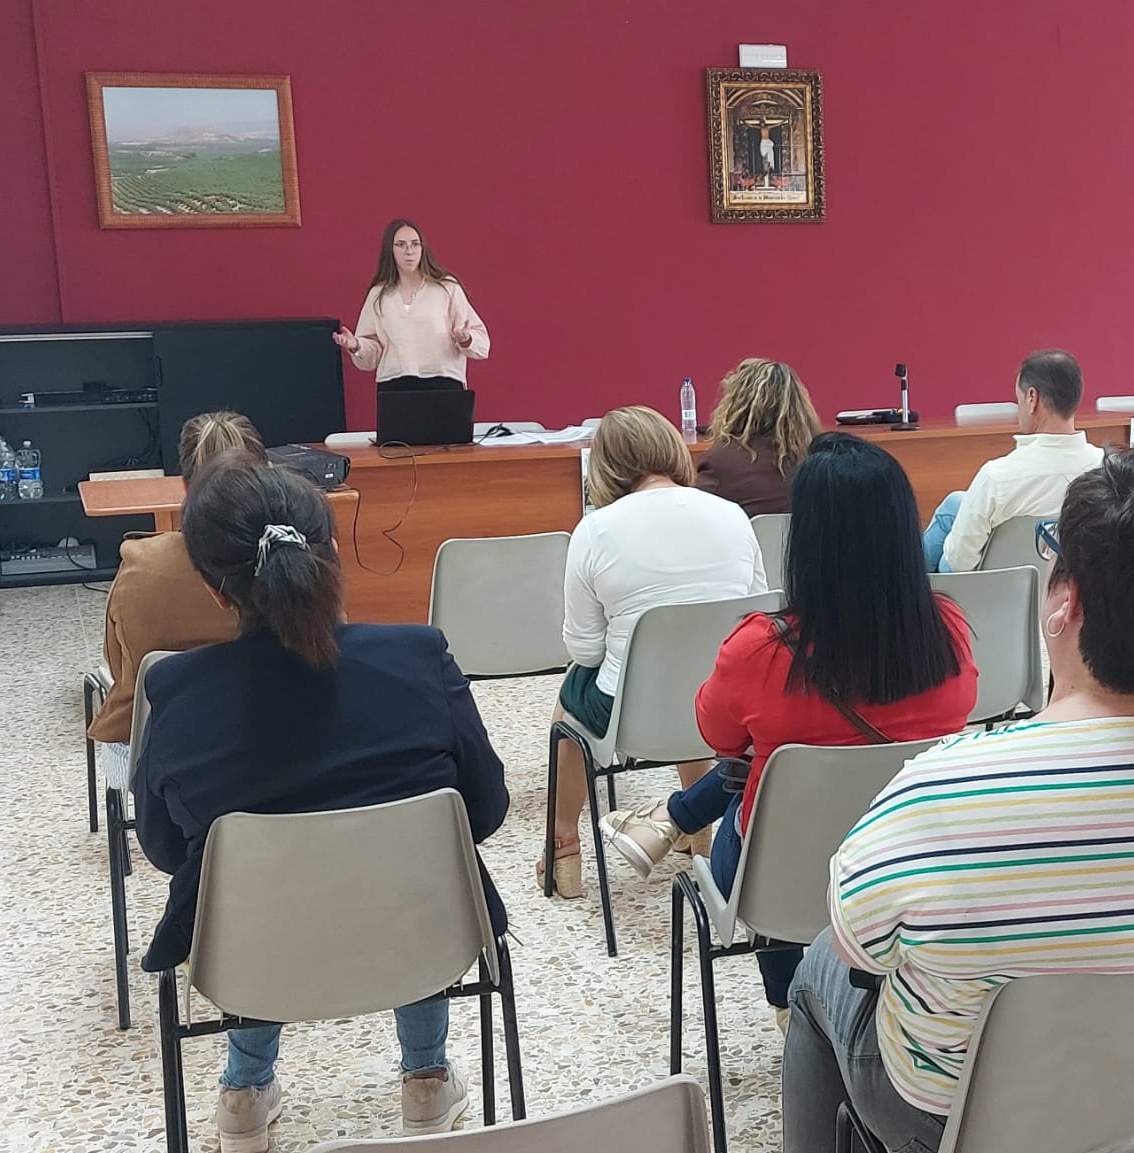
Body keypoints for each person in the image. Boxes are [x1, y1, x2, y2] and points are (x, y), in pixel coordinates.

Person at [783, 449, 1134, 1152]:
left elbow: (856, 943)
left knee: (814, 969)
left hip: (967, 1120)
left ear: (1065, 601)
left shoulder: (948, 786)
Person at [133, 466, 509, 1152]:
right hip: (422, 941)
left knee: (250, 896)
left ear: (217, 589)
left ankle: (244, 1091)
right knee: (409, 874)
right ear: (332, 552)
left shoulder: (176, 691)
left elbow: (163, 849)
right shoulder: (420, 656)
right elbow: (484, 810)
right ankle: (426, 1078)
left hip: (253, 957)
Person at [600, 432, 979, 1019]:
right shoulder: (950, 631)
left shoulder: (758, 647)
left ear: (805, 541)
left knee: (756, 769)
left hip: (784, 879)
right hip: (918, 859)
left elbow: (719, 738)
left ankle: (789, 1007)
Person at [544, 405, 768, 898]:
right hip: (722, 705)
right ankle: (699, 833)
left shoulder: (595, 530)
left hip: (634, 716)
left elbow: (582, 648)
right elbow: (759, 616)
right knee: (697, 670)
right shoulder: (732, 516)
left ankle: (563, 848)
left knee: (569, 704)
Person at [86, 412, 268, 781]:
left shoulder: (141, 562)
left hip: (155, 755)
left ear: (186, 486)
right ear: (266, 477)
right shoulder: (296, 556)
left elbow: (121, 664)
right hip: (273, 745)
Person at [923, 349, 1104, 573]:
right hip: (1074, 590)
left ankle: (905, 595)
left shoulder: (997, 477)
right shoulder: (1105, 468)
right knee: (956, 503)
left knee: (952, 534)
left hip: (993, 598)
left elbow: (959, 564)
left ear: (1032, 398)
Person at [334, 219, 489, 390]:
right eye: (401, 245)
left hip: (443, 383)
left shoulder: (446, 288)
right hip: (395, 386)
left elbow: (481, 343)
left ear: (423, 248)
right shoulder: (379, 295)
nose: (409, 251)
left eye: (415, 244)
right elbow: (371, 353)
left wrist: (466, 340)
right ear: (390, 250)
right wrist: (356, 345)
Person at [693, 358, 822, 516]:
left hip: (746, 541)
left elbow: (700, 519)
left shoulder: (719, 462)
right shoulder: (819, 458)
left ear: (735, 404)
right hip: (806, 541)